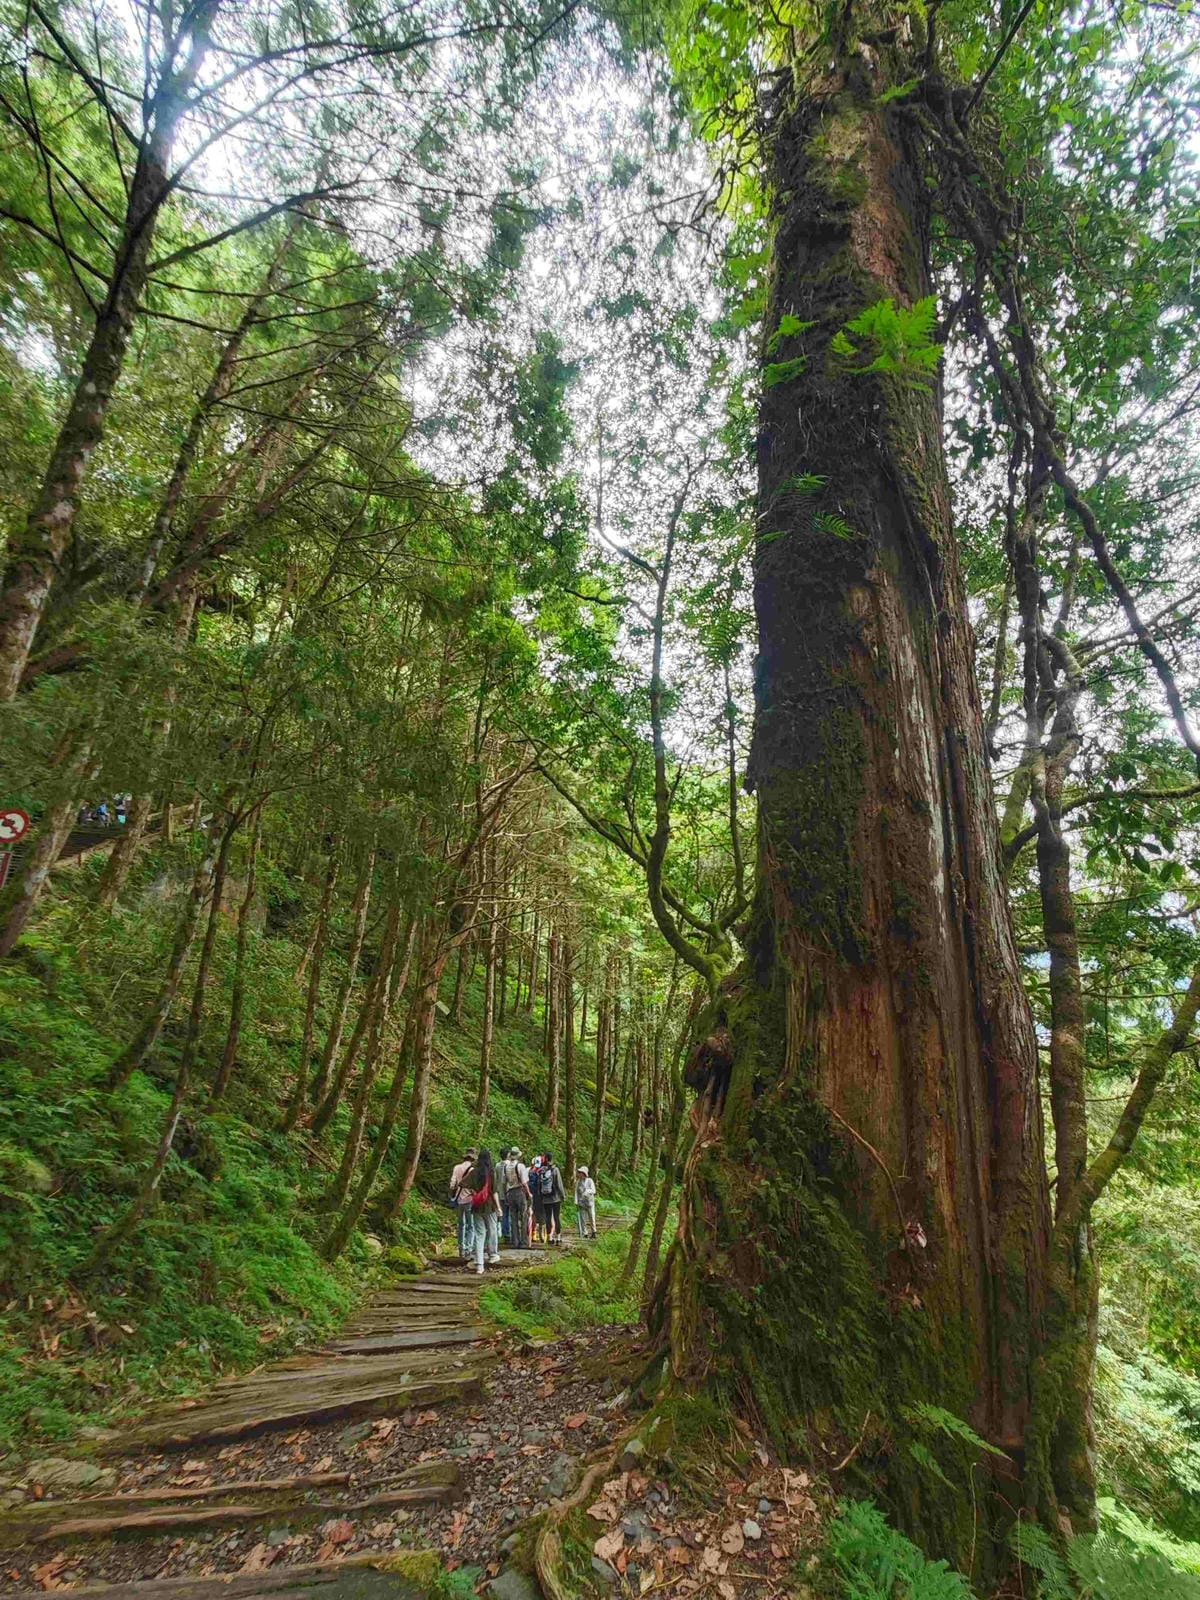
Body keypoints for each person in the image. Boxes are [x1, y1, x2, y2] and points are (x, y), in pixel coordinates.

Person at [466, 1147, 501, 1275]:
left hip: (476, 1207)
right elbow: (495, 1192)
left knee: (479, 1234)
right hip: (490, 1206)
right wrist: (498, 1207)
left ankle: (479, 1264)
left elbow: (463, 1185)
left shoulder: (474, 1172)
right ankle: (492, 1255)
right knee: (492, 1230)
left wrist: (475, 1194)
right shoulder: (491, 1173)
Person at [499, 1146, 530, 1250]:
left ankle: (515, 1241)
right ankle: (524, 1241)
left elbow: (504, 1183)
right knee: (523, 1217)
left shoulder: (506, 1167)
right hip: (519, 1192)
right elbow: (524, 1182)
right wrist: (529, 1193)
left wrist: (505, 1194)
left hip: (510, 1193)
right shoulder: (520, 1166)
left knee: (513, 1218)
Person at [449, 1147, 477, 1260]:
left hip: (459, 1199)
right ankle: (469, 1249)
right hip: (470, 1199)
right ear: (473, 1158)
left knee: (461, 1225)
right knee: (471, 1225)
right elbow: (474, 1186)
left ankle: (461, 1249)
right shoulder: (472, 1170)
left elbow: (452, 1184)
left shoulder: (457, 1167)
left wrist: (453, 1194)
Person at [537, 1152, 565, 1245]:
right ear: (552, 1159)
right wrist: (562, 1195)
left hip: (545, 1198)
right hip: (555, 1197)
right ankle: (558, 1238)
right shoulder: (555, 1170)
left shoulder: (541, 1170)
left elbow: (539, 1184)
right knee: (556, 1217)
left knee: (548, 1217)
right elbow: (559, 1184)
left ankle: (549, 1237)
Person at [575, 1165, 597, 1239]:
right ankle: (585, 1233)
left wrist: (587, 1192)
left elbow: (593, 1190)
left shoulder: (590, 1180)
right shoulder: (578, 1182)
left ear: (584, 1173)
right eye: (579, 1172)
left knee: (592, 1217)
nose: (579, 1174)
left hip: (590, 1203)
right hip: (581, 1203)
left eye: (580, 1172)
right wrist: (576, 1201)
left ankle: (594, 1232)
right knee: (583, 1219)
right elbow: (576, 1192)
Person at [528, 1153, 545, 1245]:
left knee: (533, 1214)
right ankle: (542, 1234)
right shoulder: (543, 1171)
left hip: (532, 1195)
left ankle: (533, 1233)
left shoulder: (530, 1171)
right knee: (542, 1215)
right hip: (541, 1196)